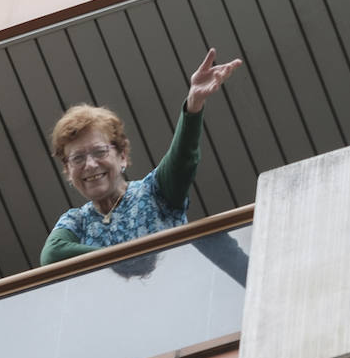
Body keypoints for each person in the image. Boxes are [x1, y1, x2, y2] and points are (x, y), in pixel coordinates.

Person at [39, 48, 242, 265]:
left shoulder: (155, 191)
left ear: (122, 156)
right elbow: (51, 255)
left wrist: (193, 105)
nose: (89, 165)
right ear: (68, 171)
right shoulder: (76, 222)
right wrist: (125, 261)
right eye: (77, 158)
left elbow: (183, 158)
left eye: (99, 152)